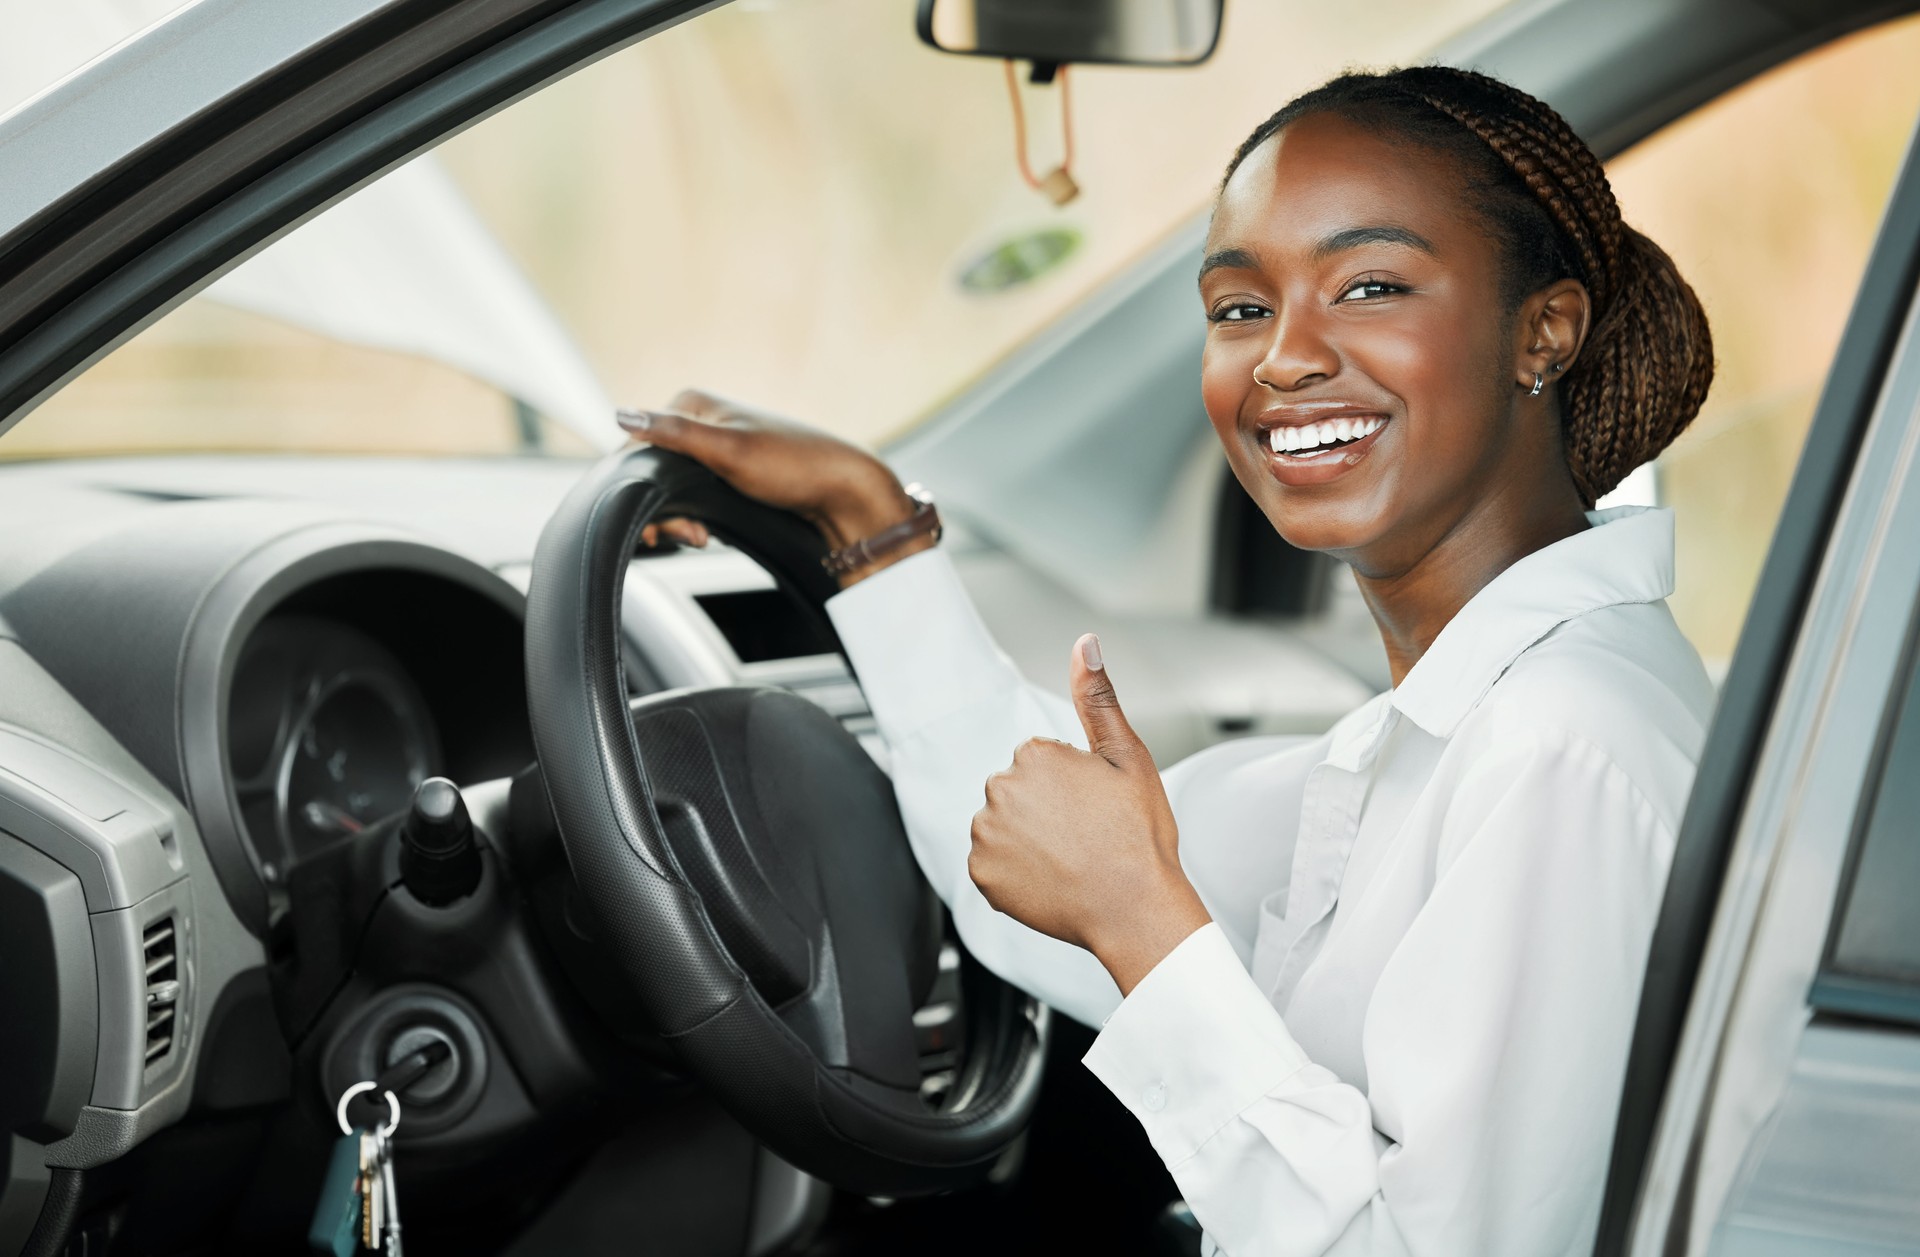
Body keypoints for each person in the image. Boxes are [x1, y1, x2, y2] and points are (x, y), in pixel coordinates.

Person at [619, 65, 1715, 1257]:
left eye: (1372, 286)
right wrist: (869, 525)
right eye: (1240, 308)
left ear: (1542, 332)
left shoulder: (1560, 747)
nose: (1284, 360)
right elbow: (1036, 867)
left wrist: (1142, 922)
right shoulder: (1455, 722)